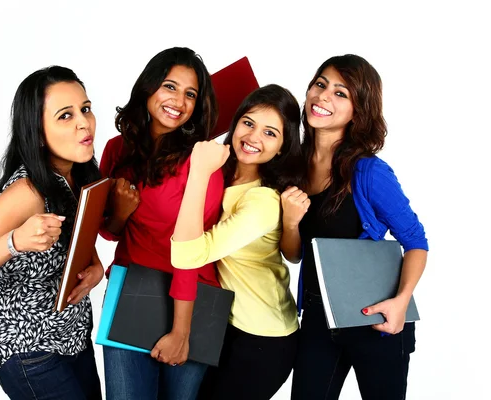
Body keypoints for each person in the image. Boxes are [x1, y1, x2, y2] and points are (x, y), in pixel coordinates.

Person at [0, 66, 103, 399]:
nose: (84, 122)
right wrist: (13, 242)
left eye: (85, 109)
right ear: (39, 133)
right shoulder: (27, 192)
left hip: (71, 338)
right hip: (28, 348)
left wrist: (95, 267)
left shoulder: (80, 175)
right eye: (65, 116)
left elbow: (73, 241)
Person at [280, 54, 429, 400]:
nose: (323, 97)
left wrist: (400, 302)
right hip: (319, 317)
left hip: (376, 319)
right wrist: (290, 221)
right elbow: (295, 253)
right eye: (320, 84)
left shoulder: (369, 173)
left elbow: (416, 241)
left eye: (341, 93)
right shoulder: (294, 167)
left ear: (358, 111)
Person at [98, 47, 222, 400]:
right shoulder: (116, 149)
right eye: (170, 86)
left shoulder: (202, 161)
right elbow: (109, 231)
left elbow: (193, 249)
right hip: (130, 289)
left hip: (193, 301)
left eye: (190, 94)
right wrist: (121, 212)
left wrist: (181, 331)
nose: (178, 101)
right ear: (149, 87)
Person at [170, 84, 306, 400]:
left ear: (283, 147)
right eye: (248, 122)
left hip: (264, 338)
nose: (253, 137)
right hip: (226, 322)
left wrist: (199, 173)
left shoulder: (262, 201)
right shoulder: (225, 172)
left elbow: (189, 255)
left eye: (270, 133)